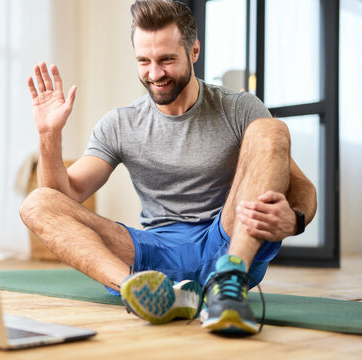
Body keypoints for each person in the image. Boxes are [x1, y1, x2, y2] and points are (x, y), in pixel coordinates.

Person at [20, 0, 317, 335]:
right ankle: (140, 290)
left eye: (166, 60)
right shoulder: (120, 124)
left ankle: (228, 281)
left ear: (193, 51)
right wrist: (49, 135)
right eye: (143, 61)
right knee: (36, 203)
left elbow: (301, 185)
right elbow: (63, 198)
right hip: (153, 253)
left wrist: (295, 220)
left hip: (228, 239)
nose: (154, 73)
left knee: (271, 128)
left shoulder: (239, 108)